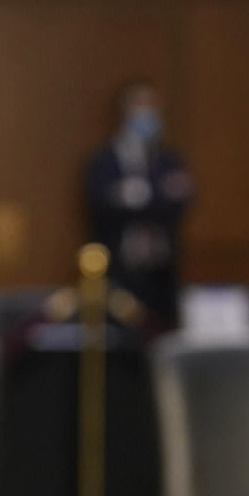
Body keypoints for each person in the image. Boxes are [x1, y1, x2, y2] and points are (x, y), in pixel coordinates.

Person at [82, 80, 194, 330]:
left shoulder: (168, 159)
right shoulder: (104, 160)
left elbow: (179, 203)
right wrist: (157, 194)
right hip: (119, 271)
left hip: (162, 272)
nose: (146, 111)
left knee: (161, 337)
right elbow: (102, 206)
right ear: (123, 110)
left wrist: (134, 195)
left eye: (151, 104)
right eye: (139, 104)